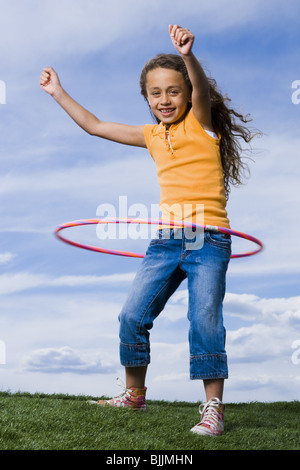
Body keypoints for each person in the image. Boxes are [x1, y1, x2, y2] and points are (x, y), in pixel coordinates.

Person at [40, 25, 258, 436]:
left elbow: (203, 91)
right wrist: (58, 93)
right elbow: (95, 126)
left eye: (174, 91)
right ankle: (134, 395)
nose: (165, 99)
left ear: (188, 94)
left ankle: (213, 407)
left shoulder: (201, 125)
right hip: (165, 241)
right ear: (146, 98)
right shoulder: (152, 136)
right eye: (155, 93)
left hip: (208, 239)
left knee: (204, 320)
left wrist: (188, 56)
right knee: (131, 315)